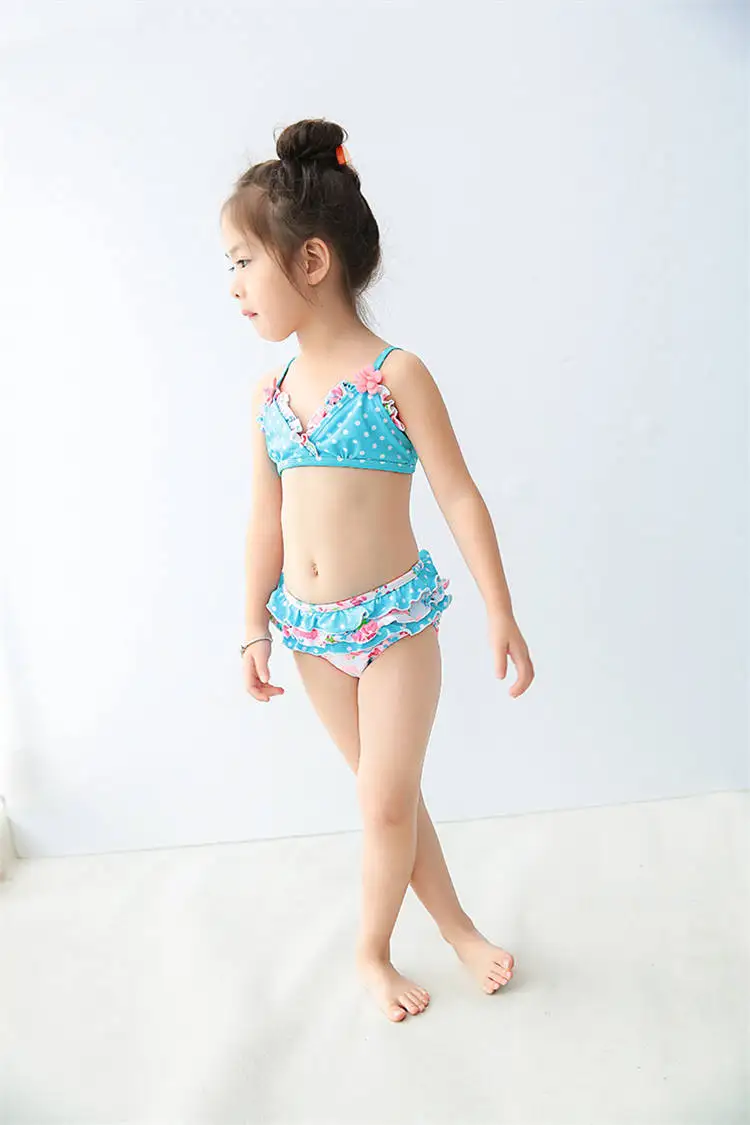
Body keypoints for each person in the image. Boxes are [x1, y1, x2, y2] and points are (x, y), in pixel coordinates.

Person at [222, 117, 535, 1023]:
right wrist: (252, 626)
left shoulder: (398, 375)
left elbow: (459, 495)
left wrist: (500, 609)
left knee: (386, 804)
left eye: (243, 262)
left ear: (311, 261)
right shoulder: (270, 395)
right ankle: (458, 927)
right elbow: (265, 520)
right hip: (311, 634)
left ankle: (371, 948)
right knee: (384, 799)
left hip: (395, 625)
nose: (233, 285)